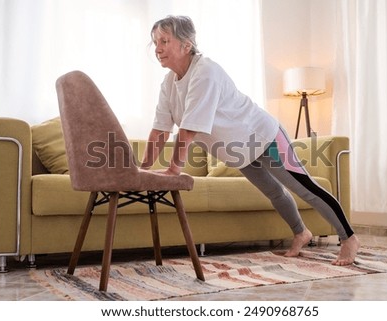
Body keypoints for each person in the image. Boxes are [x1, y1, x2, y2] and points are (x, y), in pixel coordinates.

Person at [141, 15, 360, 266]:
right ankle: (301, 232)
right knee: (274, 192)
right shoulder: (169, 83)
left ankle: (349, 238)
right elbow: (159, 130)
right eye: (155, 42)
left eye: (164, 41)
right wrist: (143, 169)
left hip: (264, 136)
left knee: (304, 187)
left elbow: (188, 131)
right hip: (238, 150)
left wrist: (173, 170)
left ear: (186, 45)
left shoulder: (205, 72)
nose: (157, 49)